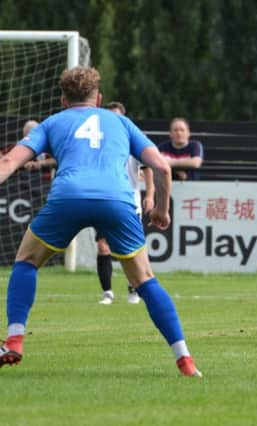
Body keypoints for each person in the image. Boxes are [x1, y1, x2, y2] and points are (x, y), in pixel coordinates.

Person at [0, 66, 201, 376]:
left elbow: (10, 160)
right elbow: (162, 168)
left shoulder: (53, 122)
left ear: (63, 100)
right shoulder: (121, 122)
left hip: (69, 196)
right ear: (98, 98)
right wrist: (161, 210)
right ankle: (185, 360)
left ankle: (14, 340)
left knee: (26, 260)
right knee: (144, 279)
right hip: (117, 200)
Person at [97, 101, 155, 305]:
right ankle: (107, 293)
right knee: (103, 246)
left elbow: (148, 168)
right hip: (104, 200)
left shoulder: (133, 140)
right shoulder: (98, 140)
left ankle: (134, 288)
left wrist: (150, 195)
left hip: (130, 202)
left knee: (129, 249)